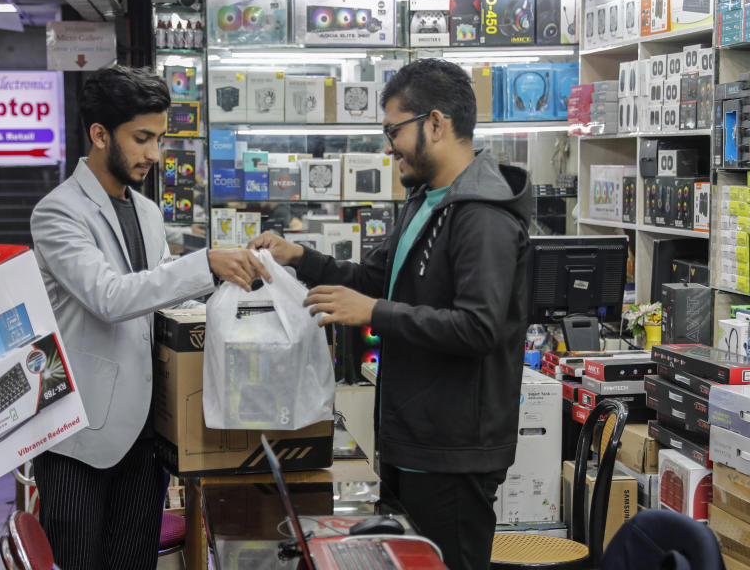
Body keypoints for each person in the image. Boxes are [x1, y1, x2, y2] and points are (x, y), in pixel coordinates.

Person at [250, 58, 532, 570]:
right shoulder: (426, 200)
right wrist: (301, 259)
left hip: (453, 451)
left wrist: (375, 314)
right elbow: (376, 281)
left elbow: (479, 326)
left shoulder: (483, 216)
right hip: (413, 440)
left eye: (392, 130)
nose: (387, 146)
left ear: (436, 123)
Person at [30, 65, 270, 570]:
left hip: (147, 432)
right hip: (82, 437)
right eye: (142, 139)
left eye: (159, 138)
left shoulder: (147, 211)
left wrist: (227, 293)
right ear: (99, 135)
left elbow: (160, 294)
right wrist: (203, 261)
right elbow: (110, 297)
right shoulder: (58, 213)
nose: (154, 155)